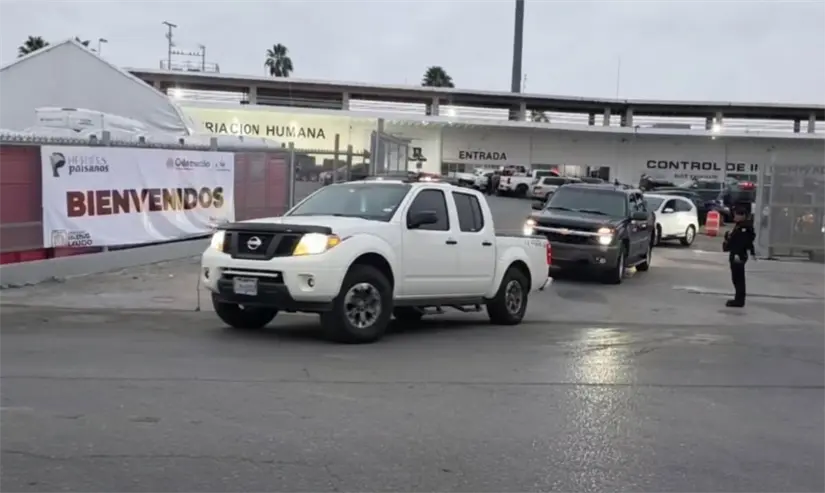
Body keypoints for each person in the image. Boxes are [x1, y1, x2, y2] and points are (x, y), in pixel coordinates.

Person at [722, 206, 756, 307]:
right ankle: (738, 298)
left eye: (737, 214)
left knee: (739, 278)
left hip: (739, 255)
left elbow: (743, 243)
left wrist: (737, 254)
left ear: (743, 216)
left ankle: (739, 300)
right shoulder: (739, 226)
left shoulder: (744, 228)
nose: (735, 216)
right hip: (735, 254)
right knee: (735, 278)